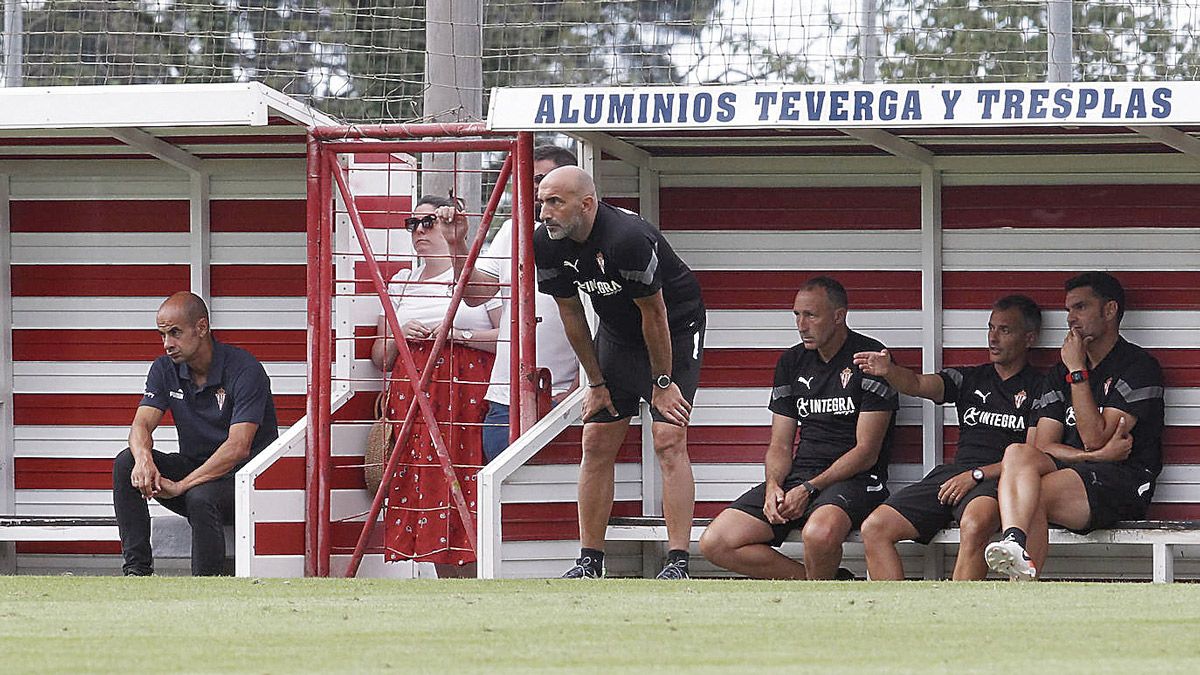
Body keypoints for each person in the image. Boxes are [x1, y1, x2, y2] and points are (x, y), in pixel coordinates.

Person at [533, 165, 706, 579]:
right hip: (617, 334)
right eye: (541, 202)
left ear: (586, 204)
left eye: (555, 202)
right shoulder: (547, 241)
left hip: (673, 330)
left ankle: (678, 561)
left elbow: (655, 313)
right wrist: (595, 382)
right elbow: (571, 312)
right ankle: (590, 561)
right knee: (595, 440)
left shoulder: (626, 239)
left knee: (667, 438)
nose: (544, 213)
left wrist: (662, 384)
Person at [699, 277, 897, 580]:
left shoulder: (870, 358)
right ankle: (821, 586)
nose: (801, 325)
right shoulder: (791, 361)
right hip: (801, 477)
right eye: (796, 315)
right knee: (716, 542)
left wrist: (809, 489)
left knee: (818, 534)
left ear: (838, 316)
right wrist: (773, 486)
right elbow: (779, 444)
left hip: (856, 480)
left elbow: (866, 452)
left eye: (810, 315)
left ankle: (818, 598)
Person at [985, 272, 1163, 581]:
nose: (1070, 319)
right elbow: (1042, 446)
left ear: (1109, 311)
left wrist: (1078, 371)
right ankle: (1014, 542)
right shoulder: (1060, 371)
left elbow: (1094, 437)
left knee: (1033, 492)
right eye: (1068, 310)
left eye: (1080, 308)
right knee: (1018, 452)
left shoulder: (1138, 367)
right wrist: (1094, 457)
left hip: (1124, 481)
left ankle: (1022, 579)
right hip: (1082, 471)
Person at [854, 295, 1044, 580]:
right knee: (875, 528)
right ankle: (896, 618)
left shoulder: (1041, 388)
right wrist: (890, 371)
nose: (993, 338)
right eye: (990, 328)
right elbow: (919, 384)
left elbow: (1033, 456)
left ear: (1029, 338)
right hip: (954, 476)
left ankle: (957, 615)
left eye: (1005, 330)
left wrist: (977, 475)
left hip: (998, 480)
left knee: (974, 524)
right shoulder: (969, 378)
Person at [371, 195, 503, 579]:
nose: (420, 232)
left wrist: (455, 335)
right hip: (413, 392)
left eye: (429, 223)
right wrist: (400, 337)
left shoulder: (475, 276)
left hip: (464, 391)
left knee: (466, 477)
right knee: (422, 482)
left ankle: (480, 572)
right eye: (413, 224)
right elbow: (379, 354)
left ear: (451, 226)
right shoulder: (402, 280)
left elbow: (506, 336)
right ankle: (443, 579)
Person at [113, 292, 278, 576]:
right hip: (196, 469)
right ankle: (136, 572)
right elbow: (140, 425)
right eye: (162, 335)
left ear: (201, 328)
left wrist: (181, 486)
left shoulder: (245, 369)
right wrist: (143, 460)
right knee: (125, 461)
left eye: (175, 333)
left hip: (244, 480)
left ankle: (205, 584)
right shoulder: (164, 368)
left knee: (200, 497)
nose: (167, 344)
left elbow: (238, 447)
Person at [440, 144, 581, 463]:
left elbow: (606, 323)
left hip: (561, 399)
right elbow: (475, 294)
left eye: (543, 179)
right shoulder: (511, 230)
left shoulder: (587, 233)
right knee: (503, 504)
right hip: (506, 400)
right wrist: (457, 242)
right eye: (528, 180)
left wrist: (576, 391)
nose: (536, 189)